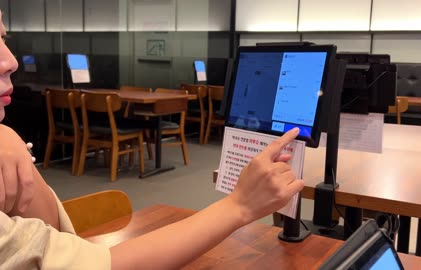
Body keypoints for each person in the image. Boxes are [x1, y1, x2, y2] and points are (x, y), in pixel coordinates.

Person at [0, 11, 304, 270]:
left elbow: (44, 242)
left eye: (4, 38)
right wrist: (240, 205)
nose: (11, 61)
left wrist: (7, 135)